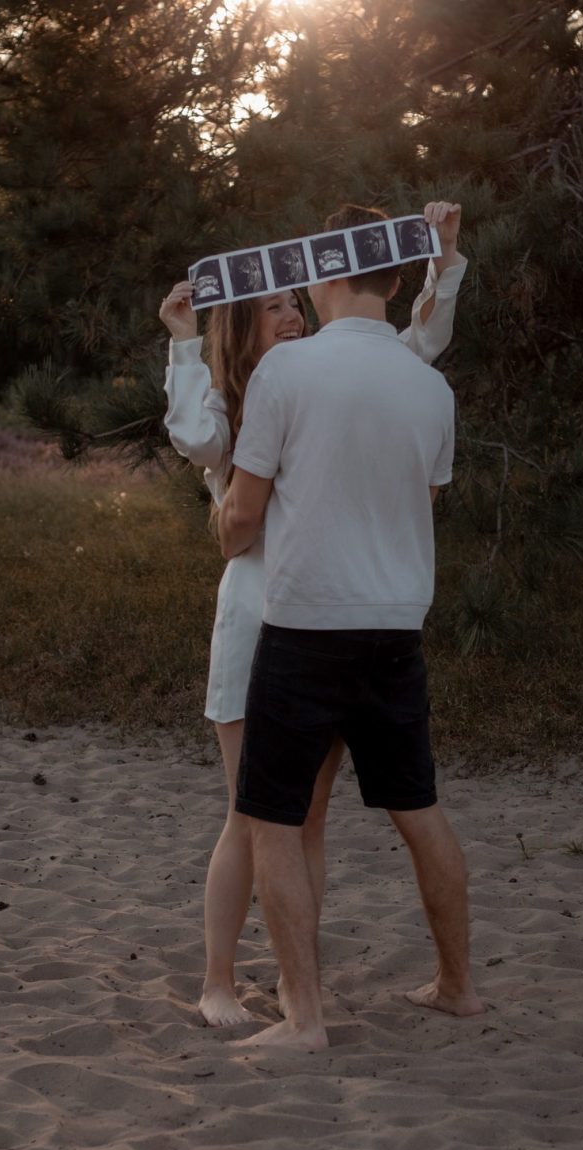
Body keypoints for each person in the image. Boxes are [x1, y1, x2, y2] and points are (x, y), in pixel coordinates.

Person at [160, 202, 468, 1030]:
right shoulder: (243, 401)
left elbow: (414, 348)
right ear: (244, 331)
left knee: (306, 819)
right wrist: (185, 341)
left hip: (320, 621)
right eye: (272, 307)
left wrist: (445, 264)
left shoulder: (318, 383)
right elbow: (195, 442)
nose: (291, 313)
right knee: (251, 814)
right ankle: (219, 980)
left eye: (295, 301)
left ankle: (299, 980)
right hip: (262, 613)